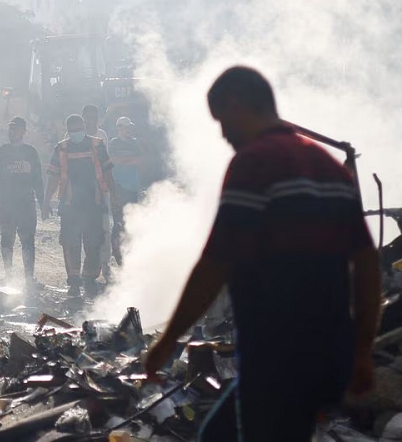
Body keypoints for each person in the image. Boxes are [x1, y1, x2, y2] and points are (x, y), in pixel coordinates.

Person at [144, 67, 381, 442]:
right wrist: (362, 350)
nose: (223, 135)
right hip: (327, 355)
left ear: (236, 106)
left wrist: (167, 340)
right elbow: (367, 267)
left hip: (277, 354)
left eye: (221, 121)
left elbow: (216, 263)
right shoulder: (330, 168)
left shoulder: (256, 162)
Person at [44, 114, 117, 297]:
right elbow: (53, 177)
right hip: (70, 206)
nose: (76, 133)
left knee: (94, 244)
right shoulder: (61, 148)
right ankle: (74, 282)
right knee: (70, 244)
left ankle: (89, 278)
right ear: (67, 130)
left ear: (84, 127)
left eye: (78, 129)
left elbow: (108, 174)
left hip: (94, 204)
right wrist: (46, 201)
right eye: (72, 130)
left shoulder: (97, 145)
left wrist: (114, 197)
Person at [0, 117, 44, 288]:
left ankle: (29, 279)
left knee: (28, 241)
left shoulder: (31, 153)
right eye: (10, 129)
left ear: (23, 131)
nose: (11, 132)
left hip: (26, 204)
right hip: (6, 204)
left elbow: (38, 179)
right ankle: (8, 276)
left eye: (15, 129)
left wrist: (43, 202)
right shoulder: (1, 152)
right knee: (6, 239)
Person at [82, 104, 113, 281]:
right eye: (87, 116)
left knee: (104, 226)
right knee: (84, 227)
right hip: (82, 189)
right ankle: (88, 264)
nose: (89, 119)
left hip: (100, 186)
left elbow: (105, 163)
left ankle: (105, 263)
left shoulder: (102, 136)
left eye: (93, 116)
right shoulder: (73, 136)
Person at [108, 116, 145, 266]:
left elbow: (140, 160)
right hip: (118, 188)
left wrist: (123, 160)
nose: (129, 130)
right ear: (119, 128)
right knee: (118, 222)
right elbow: (113, 160)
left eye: (130, 127)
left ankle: (129, 255)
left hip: (133, 188)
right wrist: (129, 160)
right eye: (126, 127)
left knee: (131, 223)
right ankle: (117, 254)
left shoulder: (135, 143)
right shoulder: (114, 143)